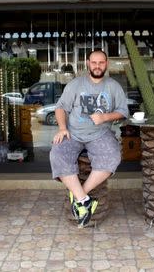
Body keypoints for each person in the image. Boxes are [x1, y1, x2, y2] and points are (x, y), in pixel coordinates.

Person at [50, 50, 128, 228]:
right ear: (87, 63)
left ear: (106, 64)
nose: (97, 66)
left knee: (113, 156)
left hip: (101, 134)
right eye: (94, 62)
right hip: (74, 133)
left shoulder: (113, 86)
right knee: (57, 153)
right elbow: (61, 107)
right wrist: (62, 128)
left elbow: (123, 112)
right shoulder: (75, 84)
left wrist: (105, 117)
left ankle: (80, 197)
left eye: (101, 62)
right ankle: (85, 200)